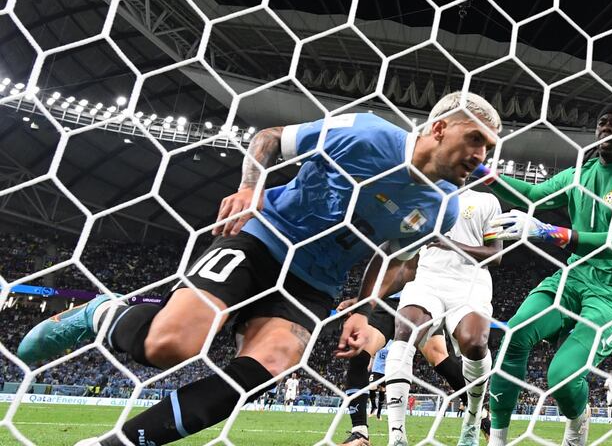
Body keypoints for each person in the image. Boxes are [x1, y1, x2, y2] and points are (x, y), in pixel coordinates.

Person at [19, 93, 500, 446]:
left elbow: (394, 257)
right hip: (263, 238)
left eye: (490, 147)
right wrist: (251, 187)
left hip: (313, 285)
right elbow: (269, 138)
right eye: (475, 138)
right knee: (170, 347)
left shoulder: (444, 209)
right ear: (440, 128)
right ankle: (99, 313)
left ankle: (121, 442)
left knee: (268, 367)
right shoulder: (367, 133)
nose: (481, 156)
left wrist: (366, 307)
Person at [483, 105, 612, 446]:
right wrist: (485, 174)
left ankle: (578, 420)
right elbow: (533, 195)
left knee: (562, 378)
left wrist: (547, 231)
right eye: (602, 122)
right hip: (575, 276)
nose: (606, 127)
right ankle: (497, 439)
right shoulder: (581, 173)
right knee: (515, 334)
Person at [352, 188, 503, 446]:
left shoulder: (486, 201)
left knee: (476, 344)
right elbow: (406, 261)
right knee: (404, 332)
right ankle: (397, 436)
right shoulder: (422, 199)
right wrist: (368, 299)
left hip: (470, 283)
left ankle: (473, 419)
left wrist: (450, 244)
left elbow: (496, 255)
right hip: (427, 280)